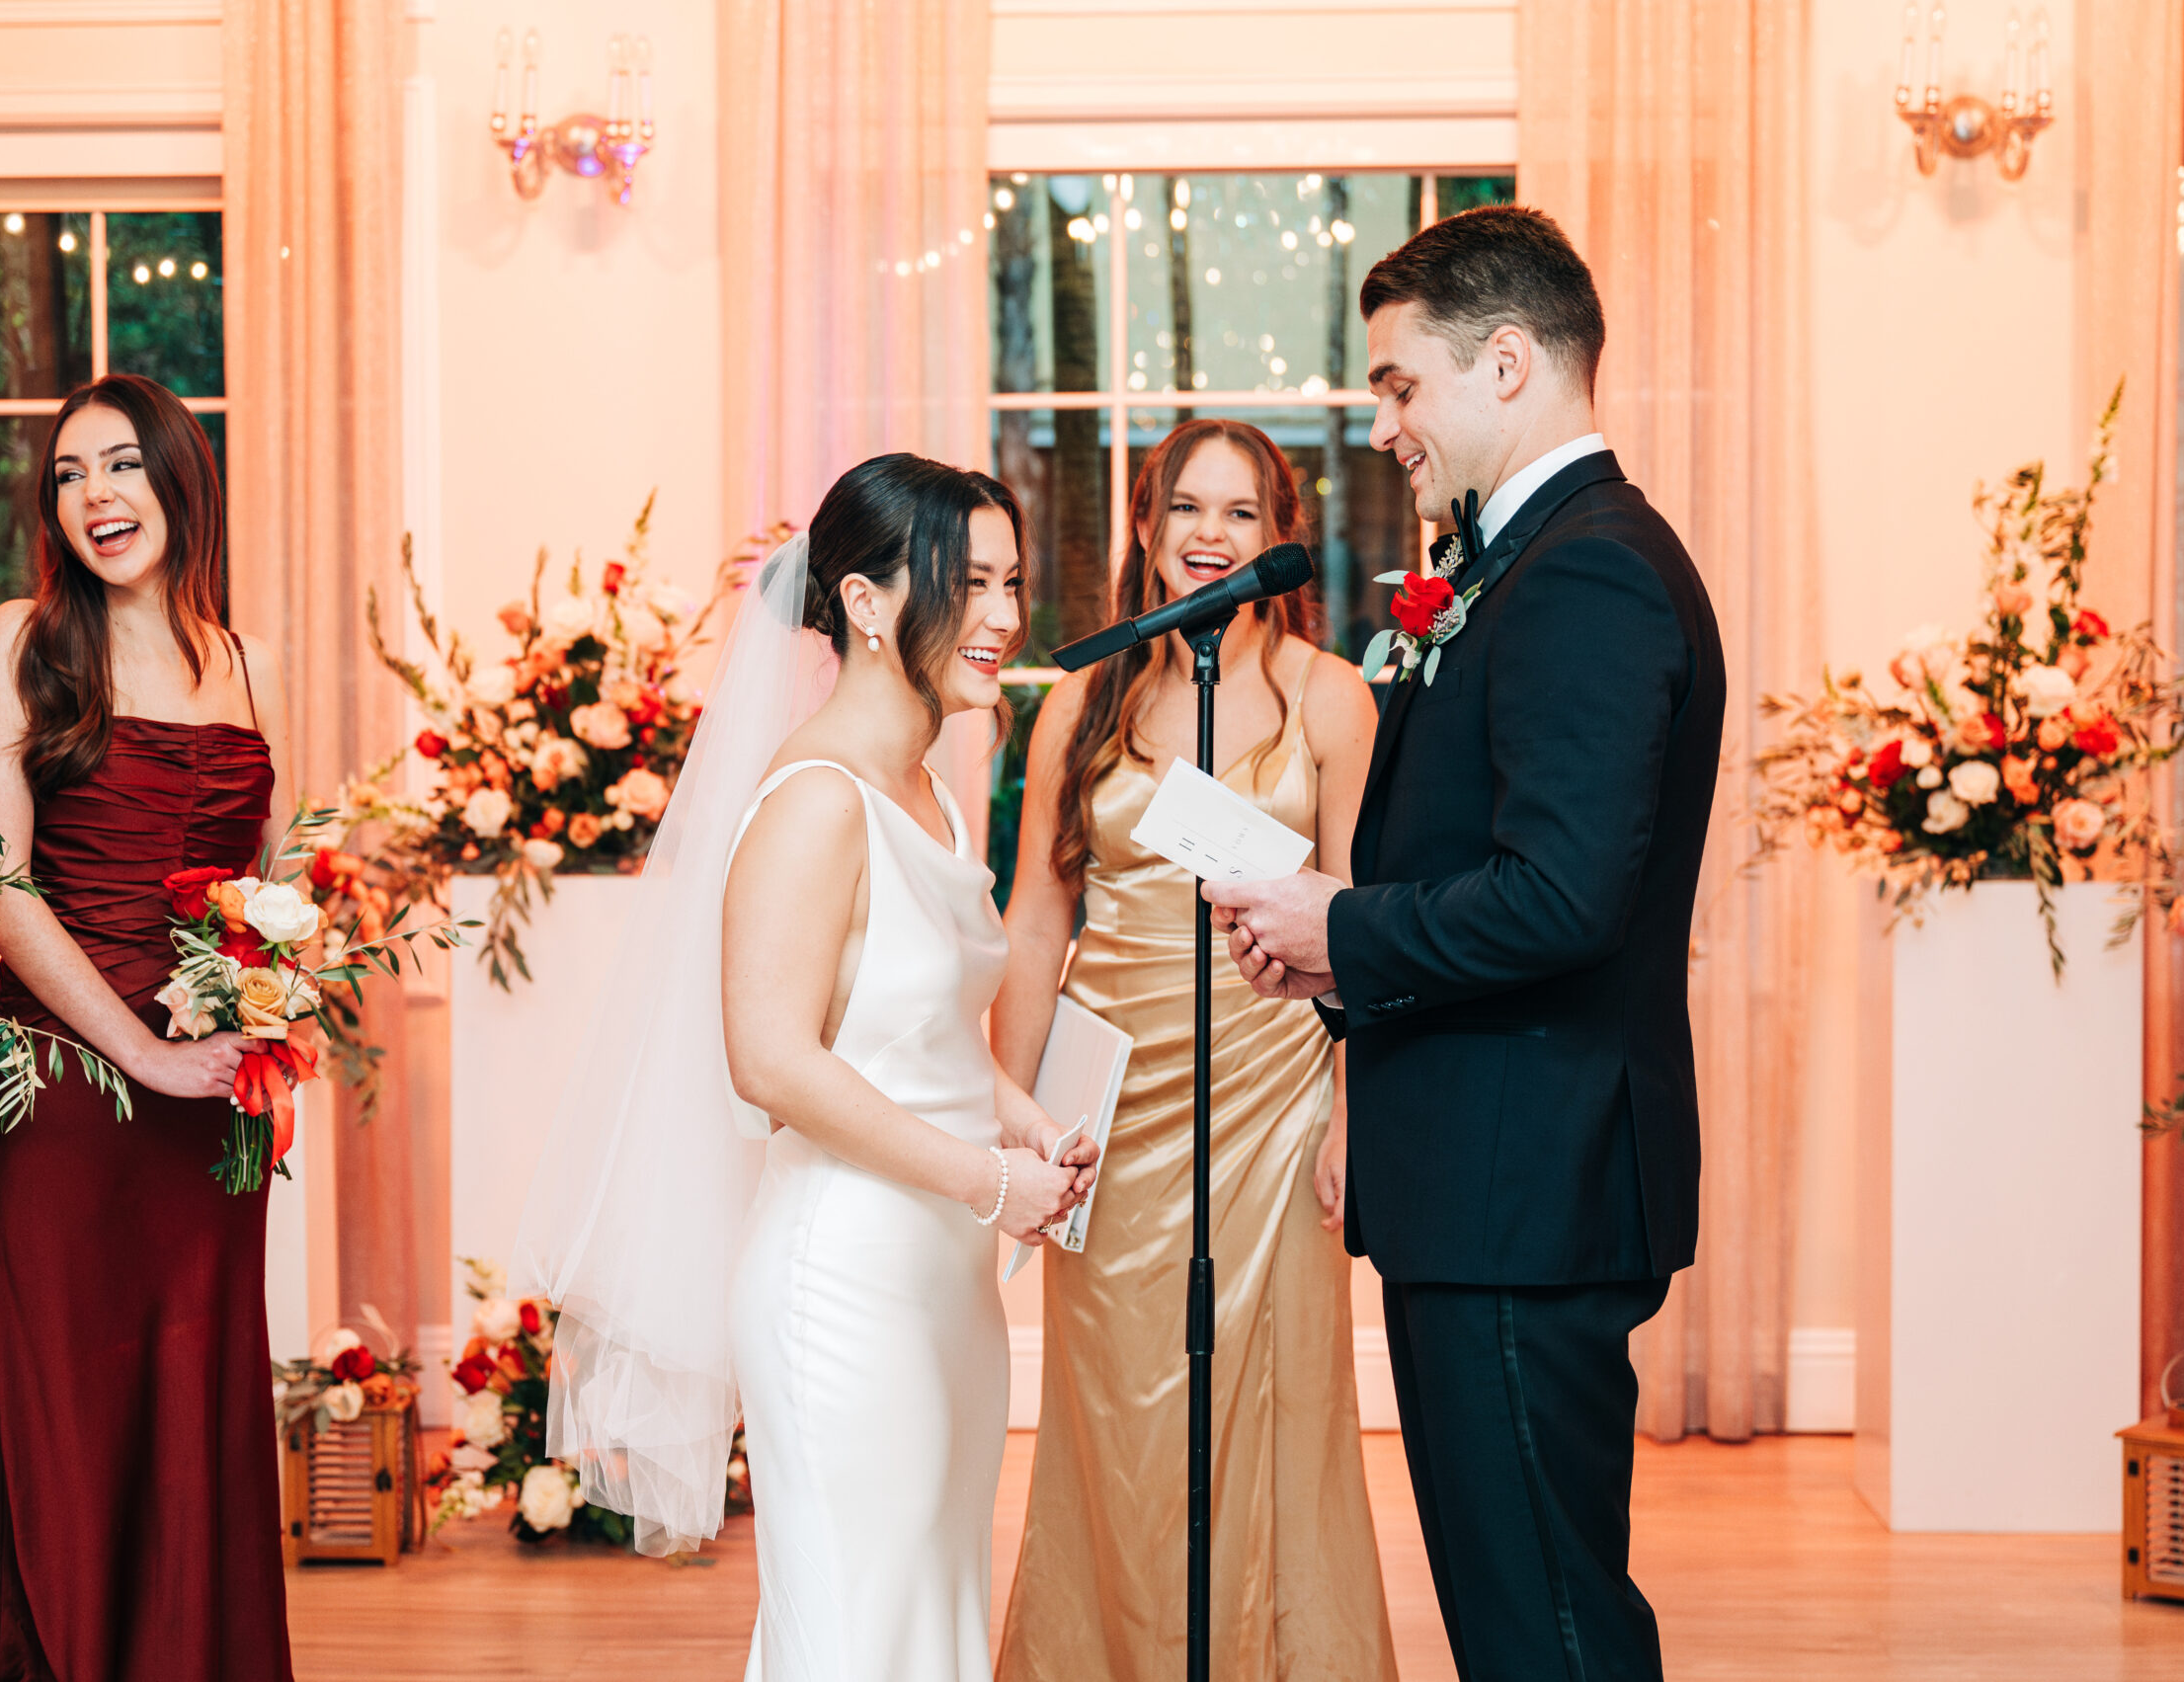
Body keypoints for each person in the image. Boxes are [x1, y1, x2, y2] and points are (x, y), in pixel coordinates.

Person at [1206, 205, 1725, 1682]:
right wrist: (1335, 955)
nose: (1384, 424)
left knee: (1544, 1618)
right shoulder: (1525, 560)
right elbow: (1496, 868)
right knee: (1515, 1608)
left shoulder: (1590, 572)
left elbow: (1565, 897)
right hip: (1492, 1176)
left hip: (1526, 1179)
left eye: (1398, 383)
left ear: (1506, 363)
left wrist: (1344, 921)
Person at [516, 453, 1095, 1682]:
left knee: (927, 1621)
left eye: (1011, 582)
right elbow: (770, 1057)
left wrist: (1026, 1123)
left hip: (944, 1284)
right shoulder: (816, 798)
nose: (1001, 616)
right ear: (868, 602)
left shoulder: (930, 791)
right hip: (842, 1288)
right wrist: (985, 1179)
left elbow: (918, 1023)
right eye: (969, 582)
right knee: (852, 1634)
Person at [993, 420, 1391, 1682]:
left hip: (1274, 1092)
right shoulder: (1082, 699)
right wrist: (1009, 1113)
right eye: (1185, 510)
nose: (1208, 535)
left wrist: (1353, 1105)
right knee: (1116, 1412)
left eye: (1238, 512)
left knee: (1277, 1406)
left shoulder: (1330, 696)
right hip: (1109, 1103)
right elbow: (1036, 917)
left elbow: (1367, 922)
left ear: (1280, 536)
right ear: (1149, 529)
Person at [0, 374, 292, 1679]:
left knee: (191, 1407)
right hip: (75, 1089)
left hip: (210, 1122)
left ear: (182, 476)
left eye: (121, 464)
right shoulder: (24, 637)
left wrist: (270, 1018)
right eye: (70, 476)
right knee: (67, 1410)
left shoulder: (241, 660)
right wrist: (141, 1051)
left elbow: (268, 885)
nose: (96, 497)